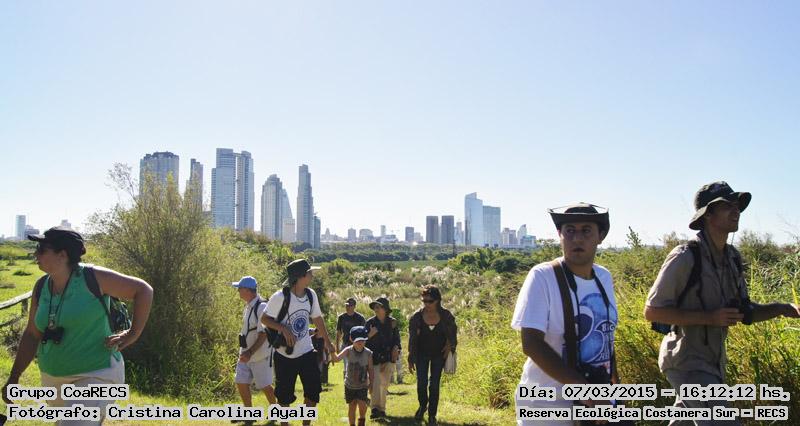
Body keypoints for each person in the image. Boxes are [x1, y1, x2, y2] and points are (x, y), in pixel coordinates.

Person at [644, 182, 800, 426]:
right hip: (686, 363)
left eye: (737, 205)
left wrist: (783, 308)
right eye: (727, 205)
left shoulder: (732, 258)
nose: (736, 210)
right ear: (707, 215)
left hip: (713, 365)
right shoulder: (685, 256)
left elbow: (745, 312)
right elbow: (652, 311)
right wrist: (710, 318)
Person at [1, 226, 153, 425]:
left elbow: (143, 290)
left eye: (42, 249)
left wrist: (133, 333)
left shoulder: (94, 278)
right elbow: (32, 334)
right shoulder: (41, 286)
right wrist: (14, 376)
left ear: (62, 255)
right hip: (54, 380)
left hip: (97, 374)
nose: (35, 254)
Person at [511, 203, 619, 425]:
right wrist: (585, 391)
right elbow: (531, 343)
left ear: (600, 236)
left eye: (586, 230)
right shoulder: (543, 276)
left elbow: (606, 338)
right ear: (559, 234)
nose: (577, 238)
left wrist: (613, 393)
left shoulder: (603, 277)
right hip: (547, 407)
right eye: (569, 230)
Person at [262, 259, 335, 426]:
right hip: (284, 355)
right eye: (309, 273)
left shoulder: (311, 295)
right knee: (284, 397)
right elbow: (264, 319)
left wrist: (328, 343)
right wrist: (283, 328)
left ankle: (306, 424)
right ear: (301, 276)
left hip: (307, 352)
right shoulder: (279, 297)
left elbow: (318, 319)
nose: (312, 275)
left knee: (313, 392)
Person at [407, 285, 458, 426]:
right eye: (424, 301)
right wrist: (411, 357)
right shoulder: (416, 317)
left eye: (430, 301)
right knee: (421, 383)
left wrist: (450, 344)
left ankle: (432, 415)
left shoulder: (446, 316)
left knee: (434, 385)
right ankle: (423, 405)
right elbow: (412, 339)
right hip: (421, 354)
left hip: (439, 355)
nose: (426, 304)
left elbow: (453, 333)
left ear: (438, 300)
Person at [232, 276, 276, 425]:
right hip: (245, 354)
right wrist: (245, 352)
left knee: (266, 387)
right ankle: (249, 415)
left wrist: (250, 352)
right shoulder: (248, 306)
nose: (238, 291)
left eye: (239, 288)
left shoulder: (261, 307)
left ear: (247, 290)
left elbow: (263, 334)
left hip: (259, 355)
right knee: (240, 381)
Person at [365, 296, 401, 420]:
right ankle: (374, 409)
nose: (376, 308)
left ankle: (382, 409)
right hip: (373, 357)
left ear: (385, 309)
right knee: (375, 383)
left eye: (378, 306)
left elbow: (397, 339)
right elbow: (362, 341)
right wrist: (370, 335)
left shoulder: (392, 322)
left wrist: (396, 347)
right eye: (375, 306)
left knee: (384, 384)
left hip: (388, 357)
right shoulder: (370, 323)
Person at [330, 326, 374, 426]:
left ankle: (361, 420)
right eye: (357, 340)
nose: (360, 342)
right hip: (349, 385)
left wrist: (371, 383)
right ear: (351, 339)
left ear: (365, 340)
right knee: (352, 405)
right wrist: (332, 351)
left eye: (362, 340)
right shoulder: (348, 350)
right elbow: (336, 359)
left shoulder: (368, 353)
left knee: (362, 405)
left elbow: (371, 369)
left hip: (363, 385)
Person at [336, 298, 366, 380]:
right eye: (347, 305)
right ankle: (346, 382)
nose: (347, 307)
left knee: (357, 365)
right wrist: (337, 347)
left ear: (354, 306)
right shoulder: (341, 317)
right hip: (345, 345)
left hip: (357, 346)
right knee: (346, 366)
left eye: (350, 305)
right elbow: (338, 333)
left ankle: (357, 381)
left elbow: (364, 333)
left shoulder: (360, 318)